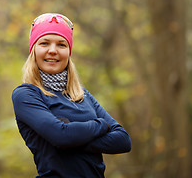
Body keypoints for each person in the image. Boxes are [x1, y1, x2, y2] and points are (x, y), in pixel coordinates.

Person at [12, 13, 131, 178]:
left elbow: (123, 141)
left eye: (61, 45)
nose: (52, 50)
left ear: (68, 52)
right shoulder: (26, 94)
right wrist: (101, 125)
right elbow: (61, 136)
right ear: (33, 50)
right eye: (44, 43)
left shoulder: (83, 95)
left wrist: (71, 136)